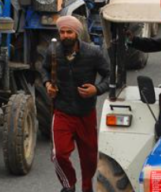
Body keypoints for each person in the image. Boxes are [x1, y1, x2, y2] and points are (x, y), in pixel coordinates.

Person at [40, 16, 110, 192]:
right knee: (59, 154)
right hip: (62, 111)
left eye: (69, 32)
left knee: (89, 159)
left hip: (86, 113)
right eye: (62, 32)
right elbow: (44, 69)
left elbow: (110, 76)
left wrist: (97, 89)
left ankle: (87, 187)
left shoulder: (93, 53)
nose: (65, 36)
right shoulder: (53, 51)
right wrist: (48, 84)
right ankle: (68, 184)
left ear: (76, 34)